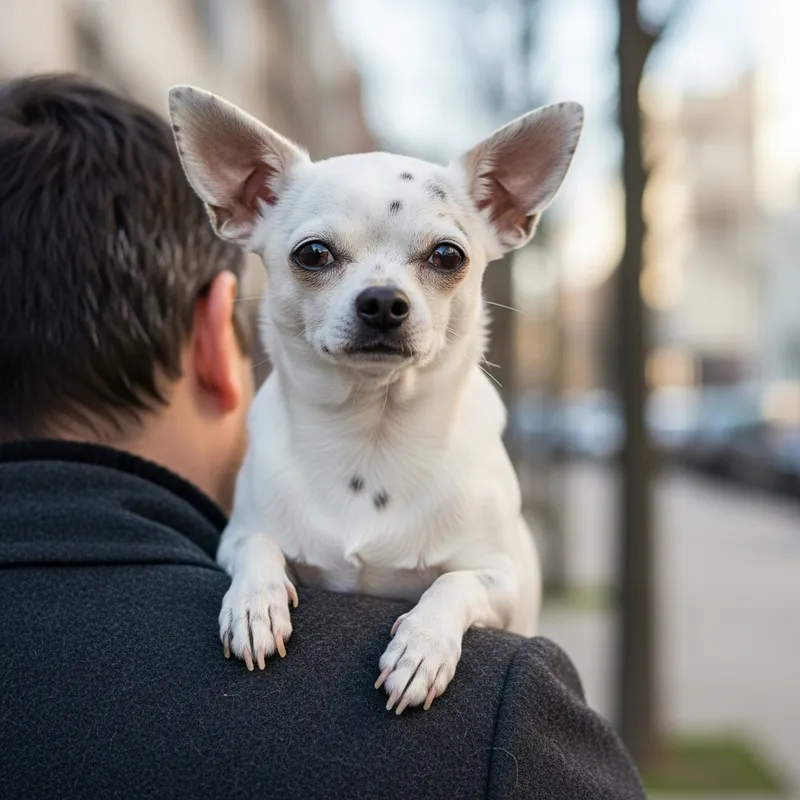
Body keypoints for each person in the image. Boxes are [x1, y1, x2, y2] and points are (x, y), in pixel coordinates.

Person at [0, 73, 645, 799]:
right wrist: (258, 563)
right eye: (317, 257)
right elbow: (245, 535)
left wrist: (448, 609)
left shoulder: (479, 481)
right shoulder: (510, 724)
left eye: (439, 260)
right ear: (247, 204)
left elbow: (498, 579)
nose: (383, 295)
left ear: (506, 214)